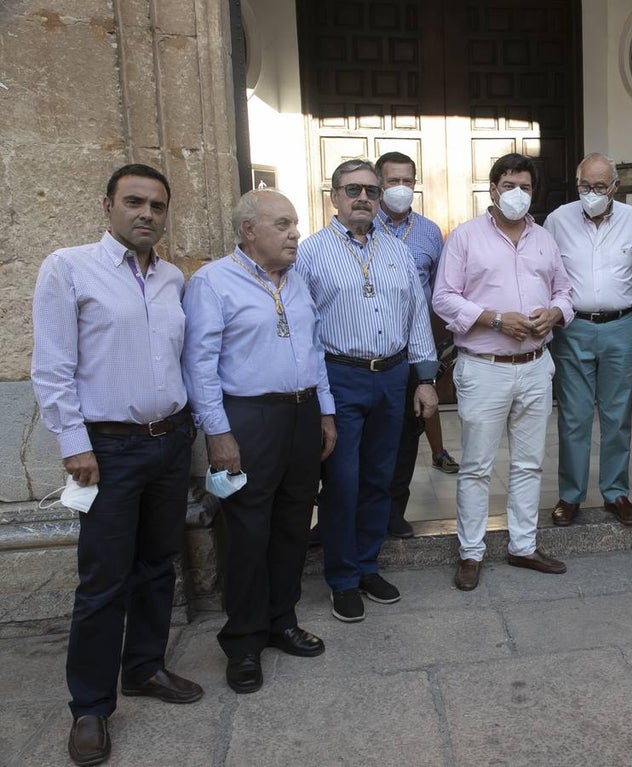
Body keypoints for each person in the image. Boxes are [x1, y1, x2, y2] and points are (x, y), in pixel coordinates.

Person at [32, 164, 202, 766]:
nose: (146, 214)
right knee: (103, 580)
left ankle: (145, 668)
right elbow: (52, 366)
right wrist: (73, 443)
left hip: (169, 442)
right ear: (108, 206)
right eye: (134, 202)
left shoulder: (173, 279)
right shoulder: (69, 268)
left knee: (157, 564)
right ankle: (90, 707)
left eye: (157, 205)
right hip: (107, 451)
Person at [182, 189, 336, 693]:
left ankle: (281, 621)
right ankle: (244, 641)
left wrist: (325, 413)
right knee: (248, 531)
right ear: (249, 230)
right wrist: (218, 433)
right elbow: (199, 365)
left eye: (295, 224)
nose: (295, 233)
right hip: (248, 418)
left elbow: (314, 351)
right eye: (283, 224)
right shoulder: (212, 282)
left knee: (293, 523)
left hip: (302, 412)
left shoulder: (297, 280)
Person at [295, 159, 439, 623]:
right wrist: (318, 396)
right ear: (334, 196)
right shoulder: (310, 253)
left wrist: (425, 379)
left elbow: (417, 316)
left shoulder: (397, 250)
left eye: (371, 191)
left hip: (393, 376)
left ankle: (367, 565)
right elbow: (303, 330)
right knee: (342, 481)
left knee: (380, 477)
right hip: (340, 377)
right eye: (353, 189)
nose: (363, 198)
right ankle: (341, 578)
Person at [432, 152, 573, 591]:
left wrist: (555, 313)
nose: (517, 194)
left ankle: (523, 546)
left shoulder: (543, 238)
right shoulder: (466, 237)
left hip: (534, 366)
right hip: (485, 367)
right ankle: (471, 552)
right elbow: (444, 298)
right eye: (509, 186)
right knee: (477, 466)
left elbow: (565, 291)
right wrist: (494, 320)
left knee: (529, 464)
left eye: (525, 187)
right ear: (493, 189)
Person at [543, 152, 632, 528]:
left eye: (599, 187)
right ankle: (570, 495)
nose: (591, 193)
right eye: (585, 186)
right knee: (573, 417)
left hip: (622, 327)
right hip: (573, 327)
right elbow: (547, 274)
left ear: (615, 187)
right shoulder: (558, 220)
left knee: (616, 416)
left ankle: (615, 491)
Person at [374, 151, 456, 541]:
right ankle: (350, 511)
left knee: (407, 436)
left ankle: (394, 511)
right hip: (370, 350)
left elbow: (439, 292)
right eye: (393, 181)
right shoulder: (362, 226)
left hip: (414, 350)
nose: (401, 188)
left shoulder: (429, 232)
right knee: (365, 438)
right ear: (379, 184)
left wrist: (438, 348)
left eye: (408, 181)